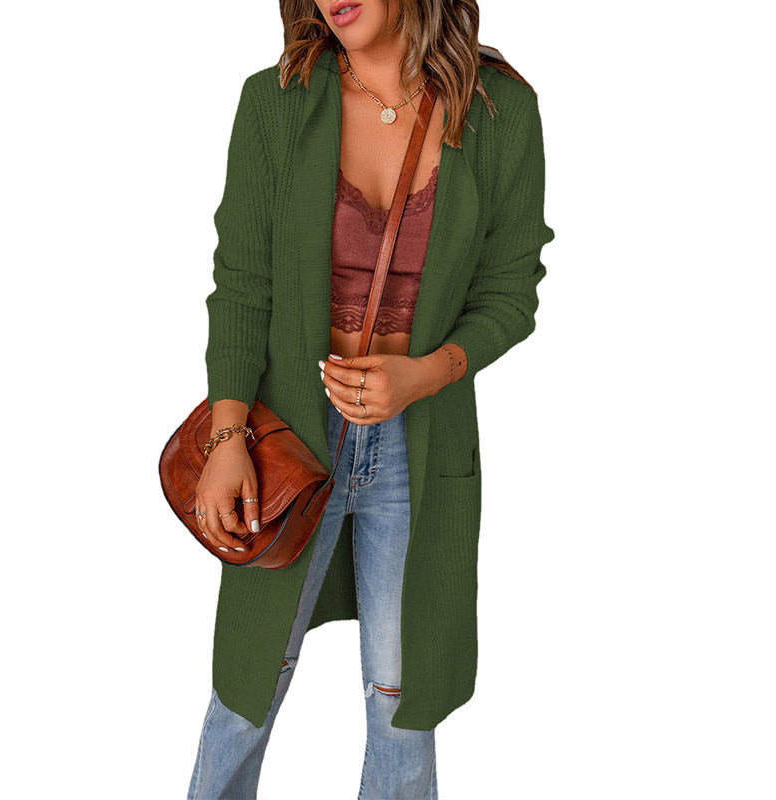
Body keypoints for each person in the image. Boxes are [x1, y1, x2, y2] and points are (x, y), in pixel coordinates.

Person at [187, 1, 555, 797]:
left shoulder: (499, 112)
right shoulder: (276, 101)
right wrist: (226, 435)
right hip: (288, 437)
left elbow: (509, 291)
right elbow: (242, 282)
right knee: (248, 686)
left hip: (418, 445)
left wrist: (426, 373)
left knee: (402, 698)